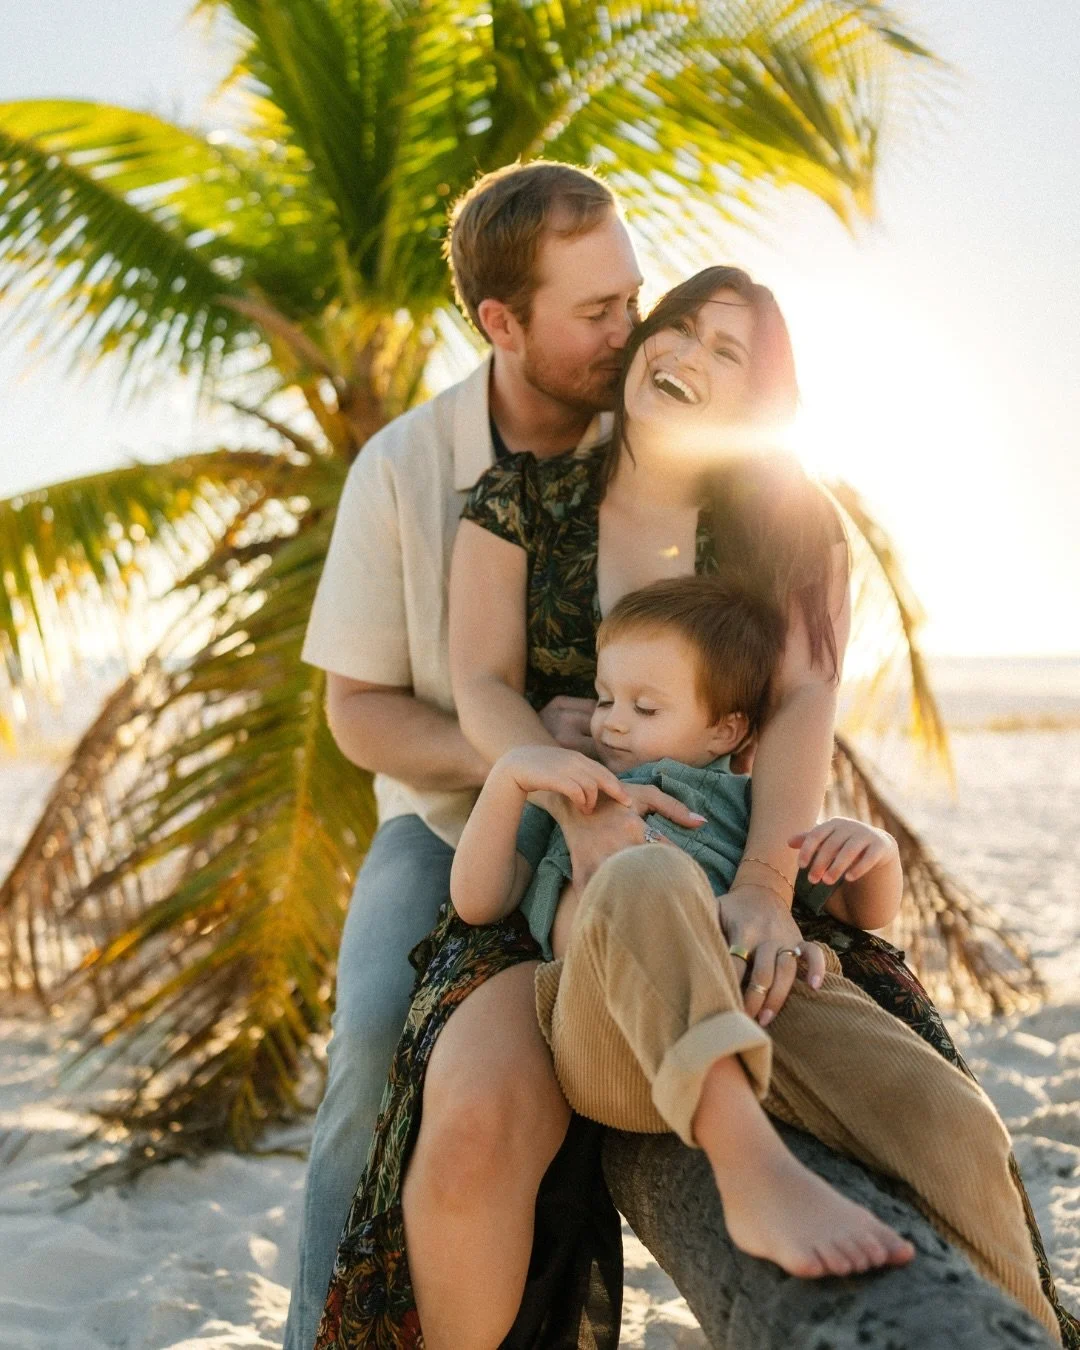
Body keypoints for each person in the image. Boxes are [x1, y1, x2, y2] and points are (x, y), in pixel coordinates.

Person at [315, 263, 1078, 1350]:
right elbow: (483, 684)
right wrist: (562, 788)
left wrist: (771, 888)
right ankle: (747, 1166)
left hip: (730, 905)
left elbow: (808, 699)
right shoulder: (519, 498)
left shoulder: (790, 523)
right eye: (681, 328)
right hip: (561, 931)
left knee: (953, 1122)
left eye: (732, 355)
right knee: (466, 1124)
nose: (690, 355)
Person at [286, 160, 709, 1350]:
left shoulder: (667, 437)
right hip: (439, 830)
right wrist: (520, 759)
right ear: (500, 321)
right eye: (596, 313)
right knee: (373, 1049)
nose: (631, 332)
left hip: (661, 828)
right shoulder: (407, 470)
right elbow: (358, 709)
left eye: (632, 296)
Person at [451, 574, 1058, 1334]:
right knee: (647, 872)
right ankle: (751, 1170)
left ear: (726, 732)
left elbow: (860, 909)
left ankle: (1030, 1327)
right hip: (614, 1035)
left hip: (766, 1015)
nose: (610, 724)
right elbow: (480, 898)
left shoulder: (748, 808)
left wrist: (874, 853)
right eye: (605, 698)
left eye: (645, 707)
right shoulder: (578, 794)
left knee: (959, 1123)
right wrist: (511, 781)